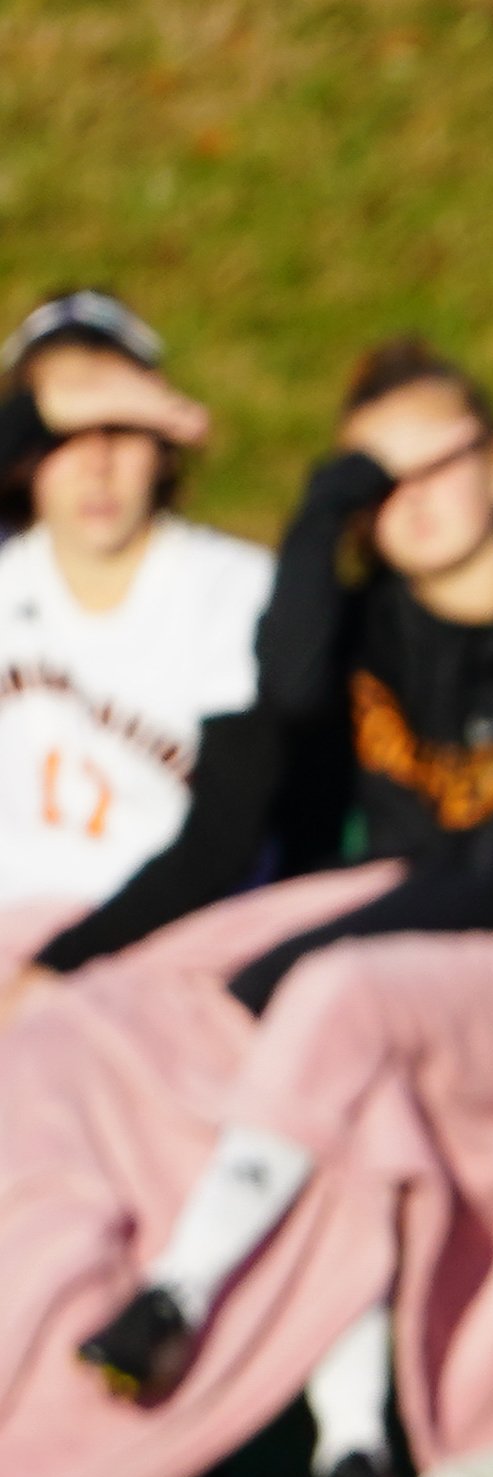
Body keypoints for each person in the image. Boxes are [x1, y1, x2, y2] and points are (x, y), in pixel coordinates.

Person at [0, 339, 493, 1477]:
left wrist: (310, 953)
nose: (407, 502)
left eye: (434, 467)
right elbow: (291, 688)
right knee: (170, 1016)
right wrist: (321, 513)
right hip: (392, 936)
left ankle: (178, 1296)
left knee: (336, 998)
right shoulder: (372, 627)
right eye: (374, 480)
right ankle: (347, 1445)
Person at [0, 292, 272, 979]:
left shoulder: (236, 588)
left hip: (160, 944)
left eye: (120, 428)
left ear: (161, 444)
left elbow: (224, 843)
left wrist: (54, 969)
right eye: (64, 431)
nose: (96, 462)